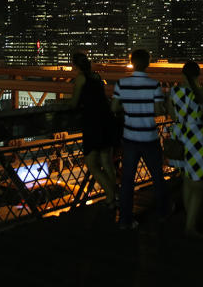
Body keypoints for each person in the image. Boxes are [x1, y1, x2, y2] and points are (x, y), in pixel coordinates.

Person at [111, 48, 169, 230]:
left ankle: (125, 220)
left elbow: (114, 107)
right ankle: (163, 213)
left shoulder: (121, 83)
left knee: (127, 180)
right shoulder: (154, 84)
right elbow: (159, 111)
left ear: (132, 62)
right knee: (158, 177)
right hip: (149, 136)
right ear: (148, 63)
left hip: (129, 137)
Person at [165, 61, 203, 237]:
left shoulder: (174, 92)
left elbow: (173, 115)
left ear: (182, 75)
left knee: (187, 180)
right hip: (196, 136)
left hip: (180, 135)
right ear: (198, 75)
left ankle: (189, 220)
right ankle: (190, 227)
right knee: (198, 184)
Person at [69, 52, 119, 209]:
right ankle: (115, 197)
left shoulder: (81, 78)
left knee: (92, 164)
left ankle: (111, 195)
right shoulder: (97, 77)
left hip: (93, 124)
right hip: (107, 121)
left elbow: (74, 103)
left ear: (75, 66)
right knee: (107, 162)